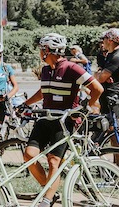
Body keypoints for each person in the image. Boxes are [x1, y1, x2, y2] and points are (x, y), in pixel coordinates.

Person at [21, 33, 103, 207]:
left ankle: (46, 200)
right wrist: (24, 104)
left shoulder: (72, 68)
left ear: (48, 50)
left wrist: (84, 107)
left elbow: (97, 88)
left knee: (53, 161)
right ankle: (48, 189)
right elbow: (43, 92)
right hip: (46, 118)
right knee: (29, 155)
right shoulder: (45, 70)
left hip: (64, 122)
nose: (39, 52)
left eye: (41, 49)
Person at [94, 28, 119, 161]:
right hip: (107, 99)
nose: (102, 41)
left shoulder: (116, 56)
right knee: (112, 137)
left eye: (104, 39)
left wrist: (99, 74)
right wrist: (99, 74)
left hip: (114, 99)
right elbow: (99, 75)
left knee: (114, 135)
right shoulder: (109, 55)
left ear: (110, 40)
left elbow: (101, 77)